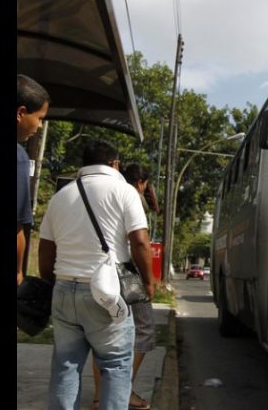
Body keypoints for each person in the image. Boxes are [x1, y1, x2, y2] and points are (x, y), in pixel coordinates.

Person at [38, 140, 155, 410]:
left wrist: (52, 282)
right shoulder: (125, 191)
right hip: (107, 292)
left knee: (65, 367)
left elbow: (46, 249)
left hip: (65, 290)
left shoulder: (61, 196)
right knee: (115, 365)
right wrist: (148, 283)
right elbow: (139, 242)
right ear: (114, 164)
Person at [91, 163, 155, 410]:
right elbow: (139, 243)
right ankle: (123, 391)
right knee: (144, 329)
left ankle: (99, 397)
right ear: (141, 183)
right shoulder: (131, 196)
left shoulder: (106, 193)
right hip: (127, 272)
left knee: (103, 334)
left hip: (98, 271)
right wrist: (149, 282)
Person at [17, 74, 50, 286]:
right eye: (39, 118)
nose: (39, 126)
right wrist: (18, 273)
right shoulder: (18, 156)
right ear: (21, 113)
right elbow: (17, 227)